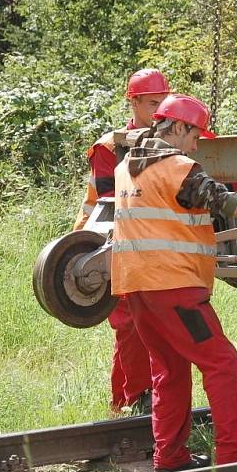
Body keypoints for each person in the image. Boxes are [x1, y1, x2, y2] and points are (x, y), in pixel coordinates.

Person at [111, 93, 237, 472]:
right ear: (177, 127)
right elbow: (227, 203)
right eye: (194, 135)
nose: (197, 144)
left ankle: (170, 458)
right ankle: (234, 455)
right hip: (174, 288)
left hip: (136, 286)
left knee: (169, 371)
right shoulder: (177, 166)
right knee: (222, 364)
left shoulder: (127, 165)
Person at [73, 68, 170, 413]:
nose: (159, 111)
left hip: (152, 242)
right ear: (134, 102)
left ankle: (133, 403)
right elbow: (110, 200)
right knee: (129, 323)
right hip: (109, 241)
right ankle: (133, 400)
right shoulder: (109, 147)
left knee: (152, 322)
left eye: (164, 103)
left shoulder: (173, 138)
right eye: (153, 104)